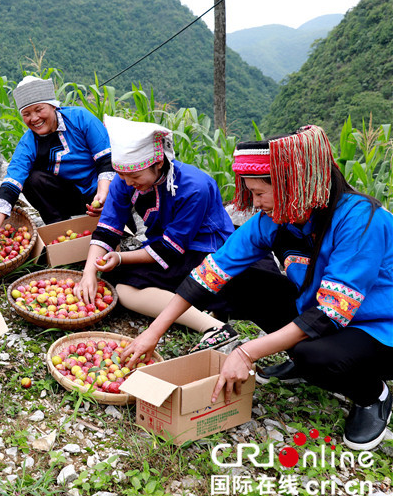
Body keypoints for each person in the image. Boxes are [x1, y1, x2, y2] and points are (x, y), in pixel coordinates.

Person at [124, 125, 393, 451]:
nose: (254, 202)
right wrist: (153, 332)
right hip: (319, 311)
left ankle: (372, 394)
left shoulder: (360, 219)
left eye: (261, 193)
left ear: (295, 185)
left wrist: (246, 351)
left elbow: (329, 313)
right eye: (250, 192)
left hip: (378, 328)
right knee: (236, 282)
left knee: (315, 354)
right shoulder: (277, 219)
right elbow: (211, 272)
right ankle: (301, 359)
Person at [75, 116, 237, 348]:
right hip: (163, 245)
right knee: (115, 281)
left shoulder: (194, 187)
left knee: (126, 283)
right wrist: (88, 273)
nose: (128, 183)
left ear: (158, 163)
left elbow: (170, 249)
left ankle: (213, 327)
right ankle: (204, 308)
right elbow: (107, 229)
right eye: (122, 177)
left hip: (204, 250)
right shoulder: (125, 180)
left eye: (135, 177)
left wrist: (120, 258)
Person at [0, 76, 114, 255]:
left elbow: (105, 160)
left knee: (118, 220)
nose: (34, 118)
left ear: (53, 105)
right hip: (69, 196)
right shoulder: (28, 143)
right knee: (32, 179)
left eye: (39, 109)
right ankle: (61, 232)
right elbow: (9, 186)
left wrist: (102, 196)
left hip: (101, 192)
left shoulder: (80, 118)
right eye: (26, 114)